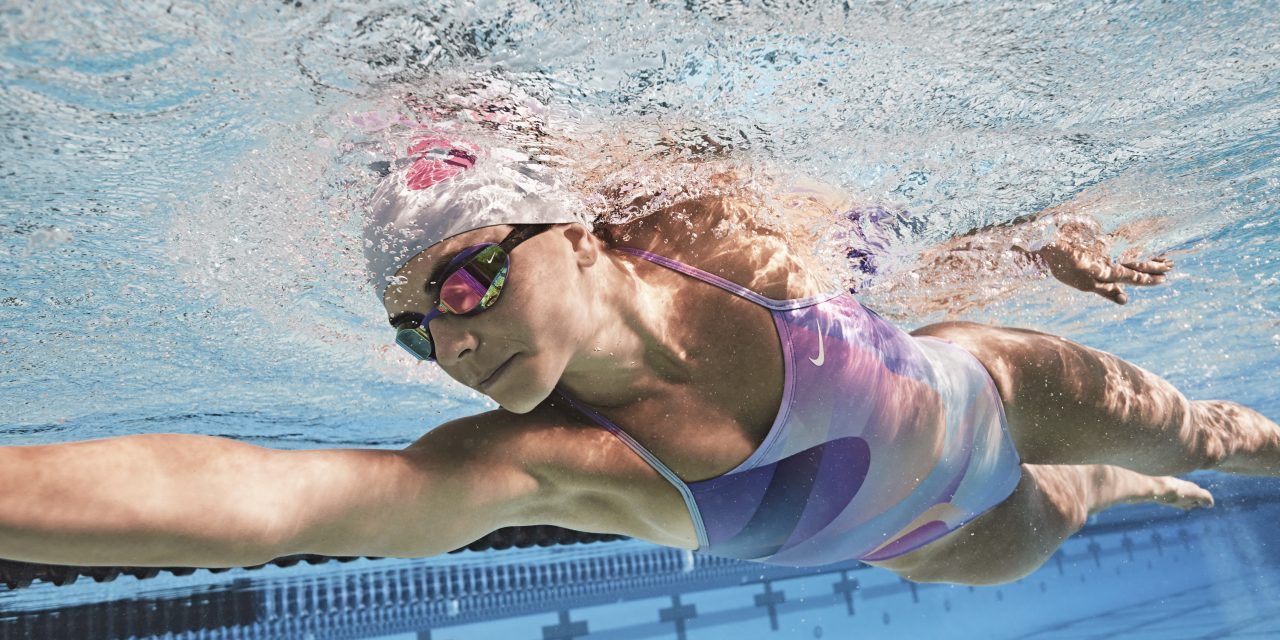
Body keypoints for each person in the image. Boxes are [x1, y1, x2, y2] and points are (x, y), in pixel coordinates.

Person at [2, 123, 1276, 588]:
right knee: (1086, 497)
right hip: (937, 537)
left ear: (571, 232)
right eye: (416, 327)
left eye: (459, 281)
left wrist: (1032, 242)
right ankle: (1127, 488)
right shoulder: (555, 463)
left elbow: (879, 277)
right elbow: (267, 501)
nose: (449, 343)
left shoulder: (710, 226)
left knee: (1213, 434)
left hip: (989, 376)